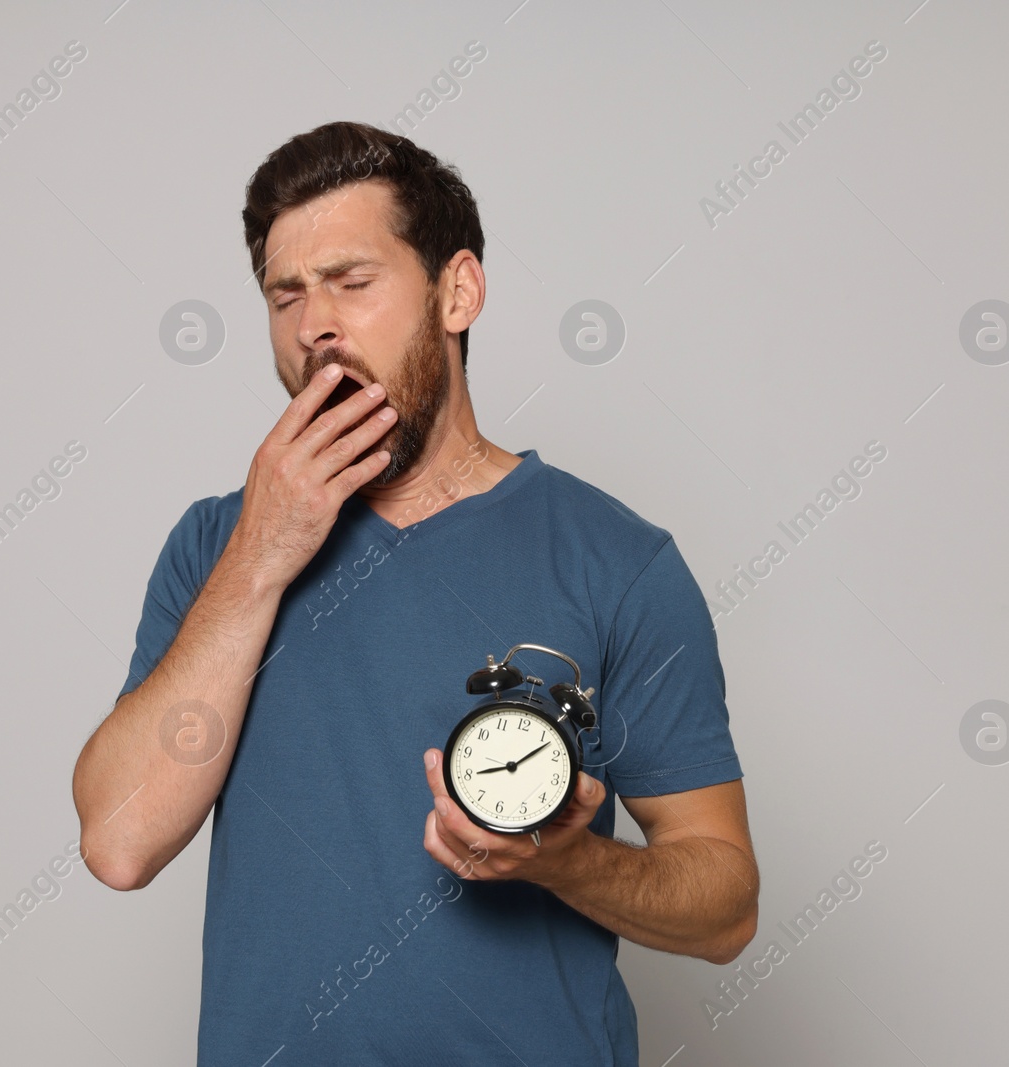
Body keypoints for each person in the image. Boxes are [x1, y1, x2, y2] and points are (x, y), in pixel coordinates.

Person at [72, 120, 759, 1065]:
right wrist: (261, 557)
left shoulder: (615, 561)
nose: (316, 323)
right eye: (286, 295)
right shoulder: (214, 547)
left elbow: (725, 906)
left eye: (353, 282)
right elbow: (119, 841)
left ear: (457, 291)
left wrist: (572, 862)